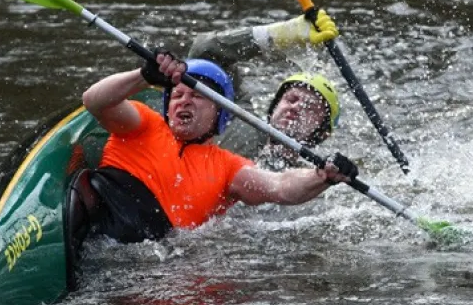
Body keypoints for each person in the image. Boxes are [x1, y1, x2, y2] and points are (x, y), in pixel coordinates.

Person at [72, 51, 359, 248]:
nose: (184, 101)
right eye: (178, 95)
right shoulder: (141, 123)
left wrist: (322, 177)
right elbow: (94, 101)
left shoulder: (228, 167)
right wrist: (143, 76)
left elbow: (281, 186)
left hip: (147, 251)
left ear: (220, 113)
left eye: (197, 96)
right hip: (100, 214)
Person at [186, 9, 343, 169]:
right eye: (291, 99)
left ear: (322, 133)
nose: (296, 107)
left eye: (309, 107)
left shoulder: (314, 179)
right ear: (274, 106)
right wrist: (278, 35)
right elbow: (204, 51)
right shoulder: (236, 116)